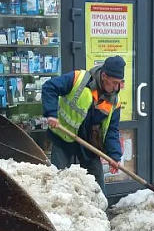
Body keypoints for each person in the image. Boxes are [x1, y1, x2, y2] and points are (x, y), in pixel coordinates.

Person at [42, 55, 124, 195]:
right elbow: (49, 87)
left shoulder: (114, 101)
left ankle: (101, 213)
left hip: (88, 144)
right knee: (57, 180)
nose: (116, 87)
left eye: (119, 83)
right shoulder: (78, 79)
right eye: (113, 82)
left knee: (97, 185)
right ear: (103, 76)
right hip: (64, 137)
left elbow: (111, 130)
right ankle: (56, 213)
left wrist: (114, 156)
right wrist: (51, 113)